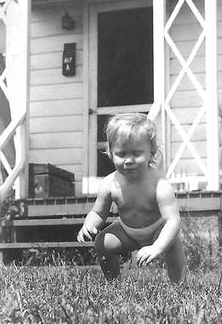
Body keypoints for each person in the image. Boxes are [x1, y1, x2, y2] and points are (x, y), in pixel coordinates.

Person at [77, 112, 186, 283]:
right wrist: (89, 225)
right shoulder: (109, 183)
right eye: (122, 154)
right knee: (102, 242)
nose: (129, 160)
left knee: (172, 246)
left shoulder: (159, 184)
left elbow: (173, 221)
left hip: (158, 229)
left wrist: (157, 246)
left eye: (136, 153)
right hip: (128, 231)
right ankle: (114, 283)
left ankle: (180, 287)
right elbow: (98, 213)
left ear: (152, 152)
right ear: (111, 154)